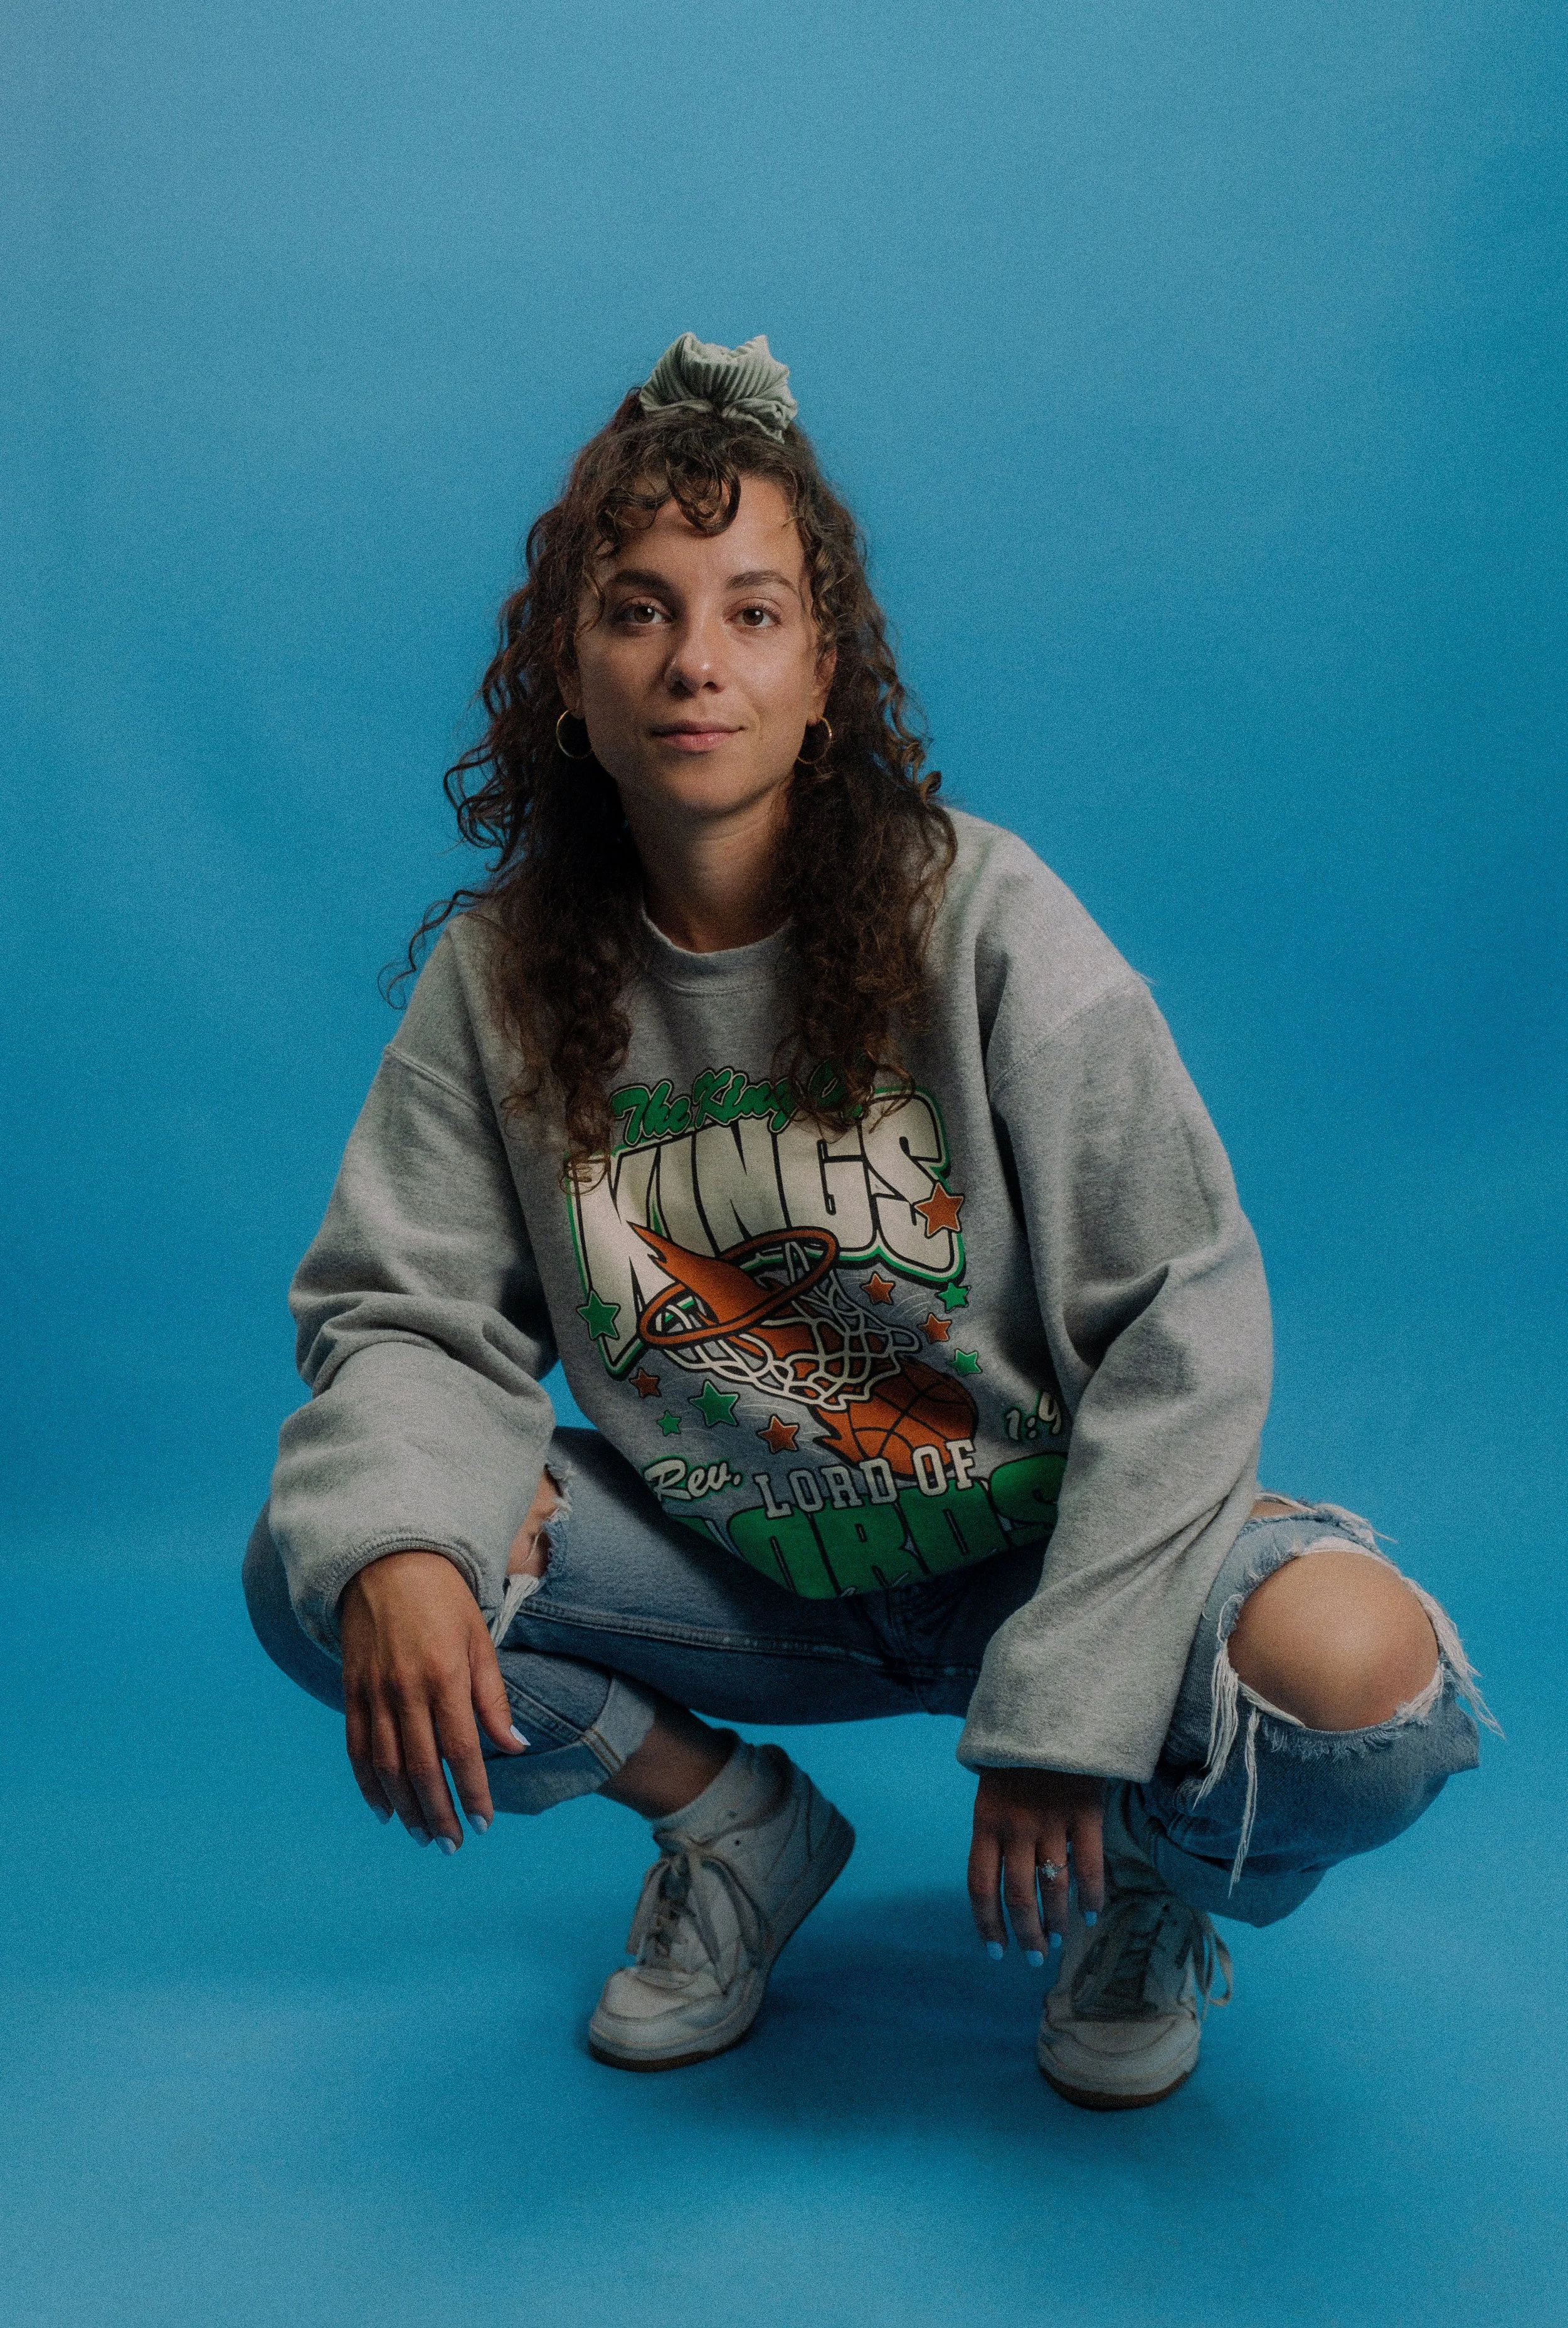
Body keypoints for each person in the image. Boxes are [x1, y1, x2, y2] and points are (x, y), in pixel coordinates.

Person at [245, 332, 1491, 2108]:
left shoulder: (978, 914)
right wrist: (406, 1536)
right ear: (570, 680)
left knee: (1359, 1686)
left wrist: (1070, 1712)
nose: (695, 661)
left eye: (753, 612)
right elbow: (402, 1314)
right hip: (731, 1571)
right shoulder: (501, 977)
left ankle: (1146, 1873)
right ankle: (733, 1825)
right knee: (353, 1558)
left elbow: (1184, 1313)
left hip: (1029, 1557)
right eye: (637, 611)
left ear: (825, 672)